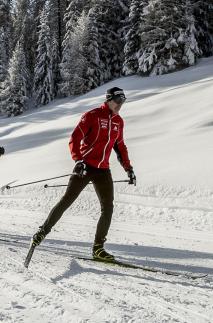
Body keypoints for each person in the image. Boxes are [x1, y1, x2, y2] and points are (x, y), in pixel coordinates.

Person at [32, 87, 136, 261]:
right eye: (118, 100)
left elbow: (120, 147)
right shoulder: (92, 115)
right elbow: (74, 138)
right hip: (85, 166)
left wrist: (129, 168)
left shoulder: (119, 121)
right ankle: (42, 232)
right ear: (109, 99)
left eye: (123, 101)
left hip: (103, 169)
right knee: (67, 200)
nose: (120, 104)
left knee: (108, 207)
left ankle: (98, 248)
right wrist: (78, 160)